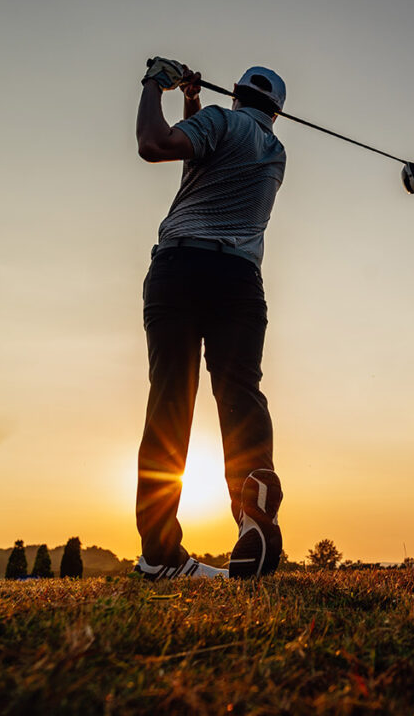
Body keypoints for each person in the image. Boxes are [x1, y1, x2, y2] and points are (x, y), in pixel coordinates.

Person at [133, 57, 286, 580]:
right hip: (240, 282)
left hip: (180, 268)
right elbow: (200, 163)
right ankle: (251, 511)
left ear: (238, 94)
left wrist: (156, 82)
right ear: (277, 114)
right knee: (240, 394)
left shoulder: (223, 121)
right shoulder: (274, 151)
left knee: (171, 401)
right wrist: (192, 102)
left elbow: (154, 145)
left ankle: (158, 554)